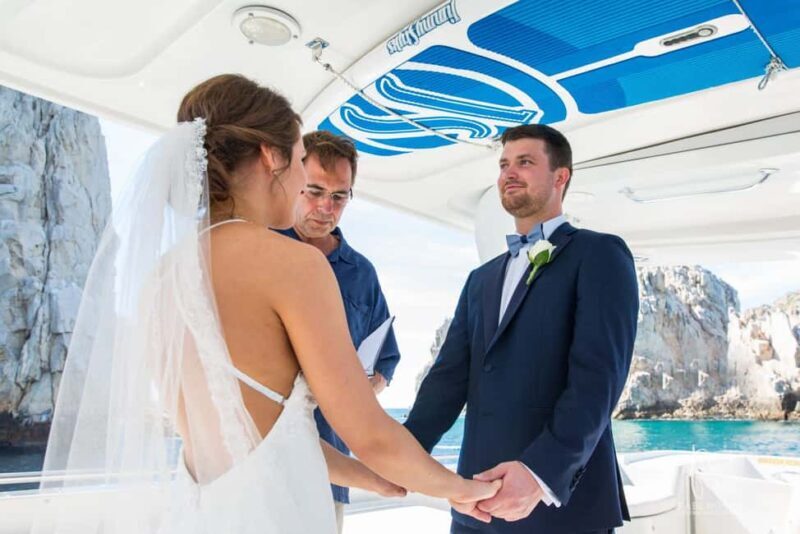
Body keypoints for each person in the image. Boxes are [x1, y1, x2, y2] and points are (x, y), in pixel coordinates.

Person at [35, 74, 498, 534]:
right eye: (299, 161)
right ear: (270, 156)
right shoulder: (293, 264)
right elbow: (371, 434)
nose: (301, 183)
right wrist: (463, 489)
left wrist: (370, 479)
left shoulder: (160, 276)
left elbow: (263, 436)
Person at [404, 124, 639, 534]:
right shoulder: (480, 279)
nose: (509, 173)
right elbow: (447, 381)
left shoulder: (599, 254)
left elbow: (598, 381)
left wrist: (539, 473)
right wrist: (400, 455)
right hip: (476, 507)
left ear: (560, 177)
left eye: (525, 162)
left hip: (560, 510)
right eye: (503, 164)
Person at [276, 130, 400, 532]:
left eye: (339, 197)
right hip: (261, 459)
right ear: (293, 181)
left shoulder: (362, 273)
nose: (325, 208)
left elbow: (385, 360)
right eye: (314, 191)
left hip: (330, 470)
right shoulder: (264, 249)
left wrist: (364, 387)